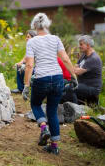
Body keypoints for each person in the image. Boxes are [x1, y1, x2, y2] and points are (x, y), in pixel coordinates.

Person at [22, 13, 77, 155]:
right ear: (47, 24)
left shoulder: (31, 42)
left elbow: (29, 65)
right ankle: (54, 146)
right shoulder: (55, 39)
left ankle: (43, 128)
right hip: (58, 78)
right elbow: (65, 59)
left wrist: (26, 86)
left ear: (34, 26)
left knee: (35, 104)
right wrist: (74, 76)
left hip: (42, 78)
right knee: (52, 111)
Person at [11, 30, 72, 94]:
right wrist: (21, 63)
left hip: (50, 73)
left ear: (33, 38)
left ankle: (32, 91)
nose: (26, 39)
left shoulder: (38, 47)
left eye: (28, 37)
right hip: (44, 70)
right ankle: (21, 89)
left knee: (28, 72)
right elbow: (26, 58)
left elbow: (30, 64)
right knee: (21, 67)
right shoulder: (31, 46)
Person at [62, 35, 102, 105]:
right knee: (62, 86)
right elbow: (75, 67)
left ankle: (77, 109)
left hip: (92, 88)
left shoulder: (93, 58)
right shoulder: (84, 55)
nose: (79, 46)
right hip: (83, 85)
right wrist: (76, 69)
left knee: (70, 88)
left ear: (88, 45)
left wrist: (75, 69)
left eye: (81, 44)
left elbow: (76, 72)